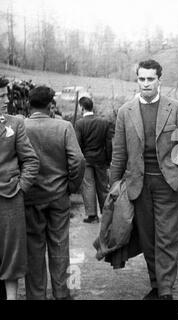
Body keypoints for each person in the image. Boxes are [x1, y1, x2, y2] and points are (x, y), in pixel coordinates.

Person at [110, 59, 178, 300]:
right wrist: (114, 184)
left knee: (167, 235)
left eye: (150, 79)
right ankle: (156, 284)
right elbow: (119, 152)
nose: (145, 84)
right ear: (137, 80)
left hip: (167, 183)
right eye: (141, 79)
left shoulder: (175, 109)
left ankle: (165, 290)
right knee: (147, 237)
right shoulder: (126, 111)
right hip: (138, 184)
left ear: (159, 81)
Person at [24, 86, 85, 300]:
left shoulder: (20, 126)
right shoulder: (64, 126)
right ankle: (62, 294)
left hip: (30, 198)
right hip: (59, 196)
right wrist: (71, 186)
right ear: (51, 105)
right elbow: (77, 161)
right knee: (60, 245)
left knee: (34, 249)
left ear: (28, 104)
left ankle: (36, 295)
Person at [0, 78, 39, 300]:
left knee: (11, 255)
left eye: (6, 95)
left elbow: (31, 161)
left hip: (9, 198)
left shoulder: (15, 123)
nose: (7, 100)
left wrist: (20, 188)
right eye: (1, 97)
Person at [75, 97, 113, 224]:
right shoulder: (104, 122)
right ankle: (107, 213)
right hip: (101, 159)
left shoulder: (80, 123)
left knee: (88, 186)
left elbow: (78, 144)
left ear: (82, 107)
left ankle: (92, 216)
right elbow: (109, 144)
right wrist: (108, 160)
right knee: (103, 186)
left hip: (86, 159)